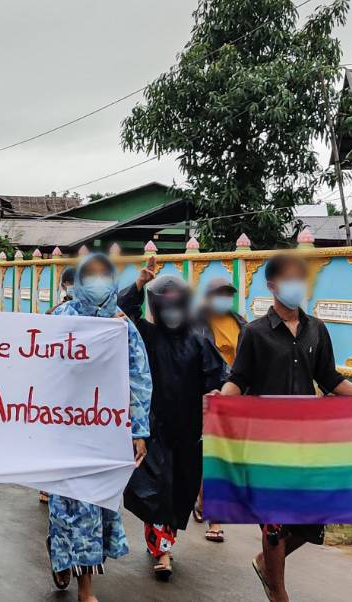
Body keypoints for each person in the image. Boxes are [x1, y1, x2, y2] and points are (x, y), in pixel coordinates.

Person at [221, 252, 352, 602]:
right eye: (289, 278)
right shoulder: (255, 333)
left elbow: (330, 379)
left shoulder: (317, 329)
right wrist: (221, 398)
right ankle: (279, 593)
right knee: (275, 521)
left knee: (312, 521)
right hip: (267, 441)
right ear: (272, 285)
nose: (297, 285)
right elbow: (240, 378)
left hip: (309, 439)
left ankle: (266, 564)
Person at [46, 252, 151, 602]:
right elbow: (37, 367)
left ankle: (84, 584)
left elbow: (139, 380)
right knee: (67, 505)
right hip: (63, 432)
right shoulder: (60, 319)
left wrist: (138, 431)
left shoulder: (122, 327)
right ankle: (65, 560)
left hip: (104, 433)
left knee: (93, 507)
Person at [119, 269, 228, 579]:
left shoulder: (198, 339)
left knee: (178, 491)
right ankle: (162, 552)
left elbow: (219, 376)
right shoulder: (146, 337)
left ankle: (164, 543)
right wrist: (138, 285)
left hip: (188, 433)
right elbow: (124, 314)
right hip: (152, 430)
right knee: (153, 492)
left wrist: (221, 394)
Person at [194, 275, 244, 542]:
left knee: (223, 457)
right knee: (209, 455)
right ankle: (214, 519)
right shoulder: (195, 325)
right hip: (206, 395)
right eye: (219, 294)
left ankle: (206, 505)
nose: (224, 299)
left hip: (234, 396)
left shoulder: (241, 324)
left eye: (228, 294)